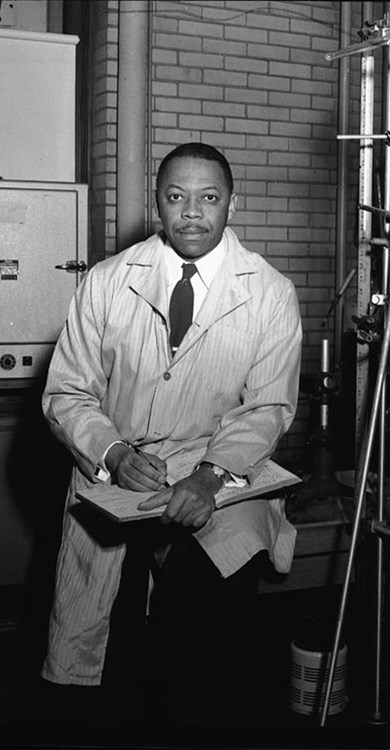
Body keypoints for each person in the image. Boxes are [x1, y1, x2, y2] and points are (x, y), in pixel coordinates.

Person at [39, 142, 303, 725]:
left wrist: (209, 479)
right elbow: (67, 392)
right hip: (117, 472)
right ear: (157, 204)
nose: (191, 212)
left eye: (208, 197)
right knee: (110, 645)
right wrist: (111, 452)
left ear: (232, 204)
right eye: (176, 197)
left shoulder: (269, 292)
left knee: (202, 638)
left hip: (220, 473)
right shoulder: (108, 282)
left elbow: (268, 407)